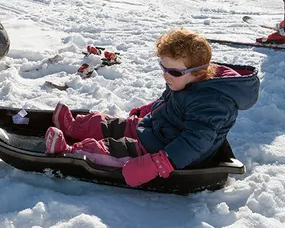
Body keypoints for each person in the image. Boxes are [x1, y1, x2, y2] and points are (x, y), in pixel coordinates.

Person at [44, 28, 259, 187]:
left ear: (199, 72)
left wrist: (161, 163)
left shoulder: (213, 103)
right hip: (158, 128)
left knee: (114, 150)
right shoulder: (185, 81)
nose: (166, 75)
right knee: (115, 124)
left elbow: (195, 142)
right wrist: (148, 110)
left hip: (166, 149)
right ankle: (74, 127)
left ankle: (70, 153)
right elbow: (167, 101)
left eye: (173, 72)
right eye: (163, 68)